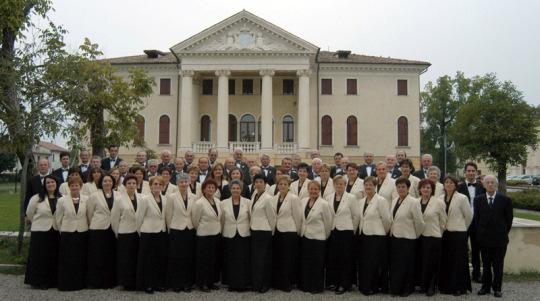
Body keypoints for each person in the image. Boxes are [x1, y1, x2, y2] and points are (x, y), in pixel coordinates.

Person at [475, 175, 513, 298]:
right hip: (484, 239)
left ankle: (497, 288)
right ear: (484, 185)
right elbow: (477, 219)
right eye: (488, 183)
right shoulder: (478, 199)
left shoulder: (505, 199)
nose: (490, 184)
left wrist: (502, 233)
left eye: (492, 182)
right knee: (485, 265)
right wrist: (480, 234)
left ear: (496, 185)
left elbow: (509, 220)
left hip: (499, 240)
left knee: (498, 265)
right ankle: (485, 287)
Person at [388, 177, 424, 297]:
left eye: (403, 186)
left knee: (407, 265)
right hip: (395, 237)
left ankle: (406, 289)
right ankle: (396, 288)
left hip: (408, 238)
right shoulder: (394, 200)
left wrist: (414, 235)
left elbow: (419, 223)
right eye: (399, 187)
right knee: (396, 265)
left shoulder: (413, 202)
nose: (401, 189)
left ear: (408, 188)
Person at [324, 175, 360, 294]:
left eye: (341, 184)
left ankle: (345, 284)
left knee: (346, 259)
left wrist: (351, 230)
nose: (339, 186)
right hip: (333, 231)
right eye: (336, 184)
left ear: (345, 185)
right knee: (334, 258)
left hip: (347, 232)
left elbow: (356, 216)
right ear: (333, 185)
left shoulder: (351, 198)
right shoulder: (328, 197)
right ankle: (335, 282)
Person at [24, 175, 61, 289]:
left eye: (52, 182)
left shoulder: (61, 198)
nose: (50, 184)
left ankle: (52, 281)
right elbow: (29, 214)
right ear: (44, 185)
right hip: (40, 231)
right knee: (40, 257)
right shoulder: (36, 198)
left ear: (56, 184)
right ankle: (39, 281)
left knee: (52, 257)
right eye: (48, 183)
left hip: (55, 231)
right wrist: (37, 222)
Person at [439, 175, 473, 296]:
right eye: (446, 182)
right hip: (446, 234)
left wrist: (462, 227)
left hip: (458, 233)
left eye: (451, 183)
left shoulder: (462, 198)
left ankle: (459, 287)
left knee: (459, 261)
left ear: (455, 185)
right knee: (447, 260)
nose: (448, 184)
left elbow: (469, 216)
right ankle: (447, 286)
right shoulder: (440, 198)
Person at [357, 176, 391, 295]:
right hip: (365, 236)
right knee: (366, 263)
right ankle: (366, 286)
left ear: (375, 186)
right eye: (366, 185)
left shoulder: (381, 200)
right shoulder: (361, 201)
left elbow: (387, 220)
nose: (368, 187)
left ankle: (374, 287)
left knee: (375, 264)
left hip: (377, 236)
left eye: (370, 185)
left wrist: (382, 232)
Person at [298, 181, 333, 294]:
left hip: (319, 238)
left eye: (315, 189)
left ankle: (316, 287)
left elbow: (328, 223)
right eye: (311, 189)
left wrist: (325, 235)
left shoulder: (324, 204)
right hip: (306, 236)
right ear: (308, 190)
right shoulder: (303, 201)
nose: (313, 191)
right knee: (306, 262)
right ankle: (306, 285)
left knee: (317, 263)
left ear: (319, 190)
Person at [86, 174, 119, 289]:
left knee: (110, 256)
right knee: (97, 256)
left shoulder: (118, 195)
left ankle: (109, 281)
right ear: (101, 183)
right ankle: (96, 281)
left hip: (113, 228)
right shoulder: (94, 196)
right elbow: (89, 213)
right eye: (105, 181)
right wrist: (93, 224)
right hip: (98, 229)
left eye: (110, 181)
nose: (107, 183)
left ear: (113, 182)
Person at [164, 173, 196, 292]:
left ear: (189, 183)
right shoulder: (171, 197)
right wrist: (170, 229)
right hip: (176, 230)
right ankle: (176, 283)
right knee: (176, 257)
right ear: (177, 183)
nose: (183, 184)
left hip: (189, 230)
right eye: (181, 182)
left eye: (186, 182)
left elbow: (194, 214)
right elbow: (168, 214)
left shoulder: (193, 196)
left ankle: (187, 283)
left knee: (188, 257)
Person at [135, 176, 168, 293]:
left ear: (163, 187)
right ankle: (147, 284)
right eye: (155, 184)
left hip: (160, 233)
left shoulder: (165, 199)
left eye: (160, 184)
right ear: (150, 186)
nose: (157, 186)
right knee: (148, 260)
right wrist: (142, 231)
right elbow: (138, 218)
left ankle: (158, 283)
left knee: (159, 259)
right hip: (147, 233)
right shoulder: (145, 199)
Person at [55, 176, 89, 291]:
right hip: (67, 233)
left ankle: (80, 283)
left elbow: (88, 216)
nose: (75, 187)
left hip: (82, 232)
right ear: (69, 187)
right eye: (72, 185)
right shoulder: (62, 200)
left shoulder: (86, 199)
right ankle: (67, 283)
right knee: (68, 259)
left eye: (77, 185)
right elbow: (58, 218)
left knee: (80, 258)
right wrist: (63, 230)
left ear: (80, 187)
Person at [110, 174, 141, 291]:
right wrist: (118, 233)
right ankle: (126, 282)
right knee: (125, 259)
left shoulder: (142, 197)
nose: (132, 185)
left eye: (134, 183)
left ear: (136, 185)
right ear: (125, 185)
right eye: (129, 183)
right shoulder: (119, 200)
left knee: (135, 258)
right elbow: (114, 218)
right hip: (125, 233)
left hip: (137, 233)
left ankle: (135, 280)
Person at [220, 179, 252, 291]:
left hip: (243, 235)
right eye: (233, 188)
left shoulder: (248, 202)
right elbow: (221, 220)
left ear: (241, 190)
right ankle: (232, 284)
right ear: (230, 189)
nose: (235, 190)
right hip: (229, 234)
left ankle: (242, 283)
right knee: (231, 260)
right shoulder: (223, 203)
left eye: (238, 188)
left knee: (243, 260)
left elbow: (251, 218)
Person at [271, 175, 301, 292]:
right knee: (278, 258)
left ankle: (286, 283)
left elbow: (298, 217)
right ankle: (277, 282)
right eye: (280, 184)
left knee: (287, 259)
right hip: (277, 232)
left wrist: (297, 231)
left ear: (289, 186)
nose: (282, 186)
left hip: (289, 232)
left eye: (285, 184)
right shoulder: (274, 198)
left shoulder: (294, 198)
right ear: (277, 186)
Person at [417, 179, 447, 296]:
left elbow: (443, 221)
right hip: (419, 236)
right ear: (420, 189)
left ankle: (431, 286)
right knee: (422, 262)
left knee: (432, 263)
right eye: (423, 187)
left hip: (433, 237)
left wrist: (438, 233)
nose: (426, 189)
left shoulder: (438, 202)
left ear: (432, 190)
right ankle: (422, 285)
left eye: (428, 187)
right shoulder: (416, 201)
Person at [457, 162, 486, 283]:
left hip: (477, 223)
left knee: (476, 249)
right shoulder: (459, 187)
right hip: (463, 222)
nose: (471, 173)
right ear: (465, 172)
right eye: (468, 171)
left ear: (476, 172)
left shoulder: (482, 186)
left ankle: (476, 273)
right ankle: (462, 274)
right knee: (462, 249)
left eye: (473, 171)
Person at [191, 179, 222, 292]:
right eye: (208, 187)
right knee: (203, 260)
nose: (211, 189)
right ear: (204, 189)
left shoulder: (218, 201)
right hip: (204, 236)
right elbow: (195, 220)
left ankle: (211, 282)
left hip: (216, 234)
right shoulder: (199, 203)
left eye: (213, 187)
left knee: (213, 260)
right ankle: (202, 283)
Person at [250, 174, 276, 293]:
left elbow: (272, 217)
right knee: (256, 259)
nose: (258, 184)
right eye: (256, 182)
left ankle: (265, 284)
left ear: (265, 184)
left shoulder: (268, 198)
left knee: (264, 259)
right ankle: (256, 283)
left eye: (261, 182)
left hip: (264, 232)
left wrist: (271, 231)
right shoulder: (254, 195)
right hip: (255, 231)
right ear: (254, 184)